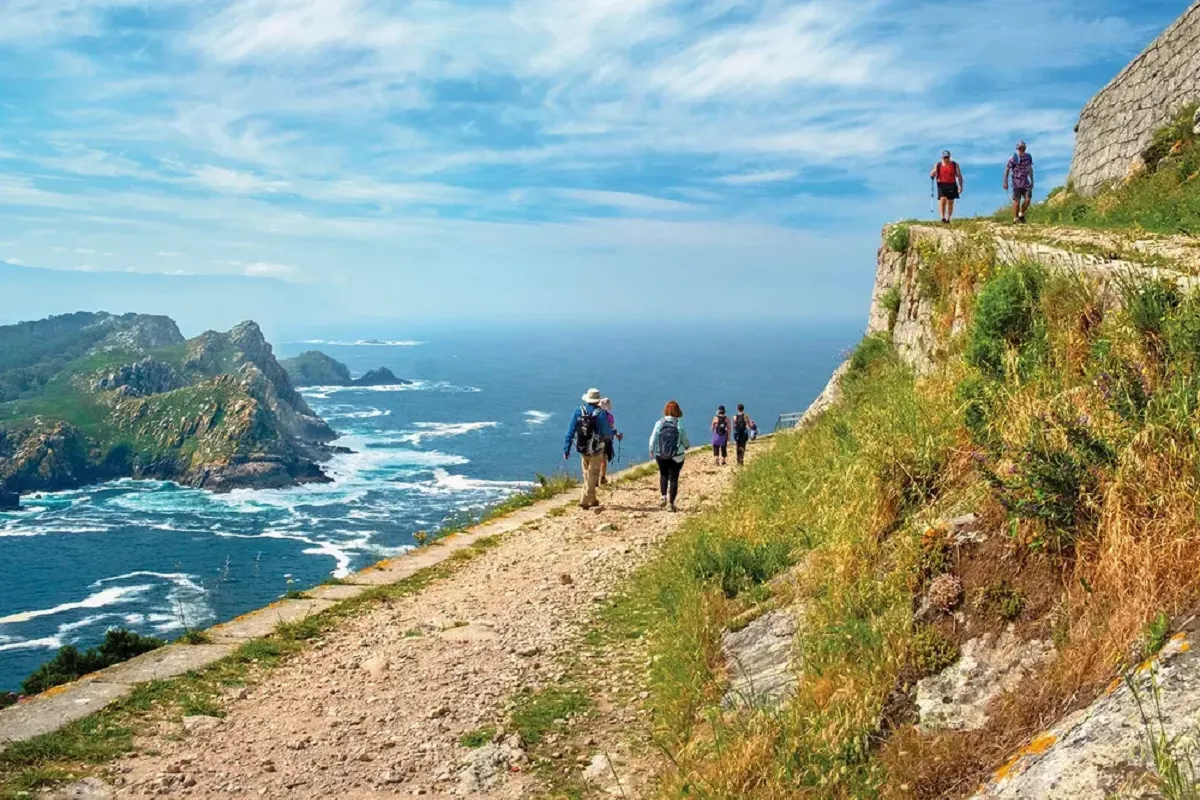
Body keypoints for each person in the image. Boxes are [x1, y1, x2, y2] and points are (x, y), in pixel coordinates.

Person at [563, 388, 614, 509]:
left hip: (582, 447)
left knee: (586, 473)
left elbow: (570, 431)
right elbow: (606, 432)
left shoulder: (578, 411)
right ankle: (585, 500)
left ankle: (593, 500)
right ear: (597, 401)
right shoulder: (600, 413)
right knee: (593, 474)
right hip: (596, 449)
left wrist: (566, 449)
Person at [649, 401, 689, 512]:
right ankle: (671, 504)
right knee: (674, 478)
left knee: (663, 474)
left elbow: (653, 437)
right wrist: (686, 446)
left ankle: (663, 496)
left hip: (661, 454)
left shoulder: (659, 423)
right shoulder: (679, 424)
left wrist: (651, 449)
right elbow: (684, 439)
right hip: (677, 455)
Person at [1003, 140, 1035, 224]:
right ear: (1017, 148)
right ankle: (1015, 217)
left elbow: (1030, 169)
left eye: (1023, 148)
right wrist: (1005, 182)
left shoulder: (1028, 157)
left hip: (1026, 182)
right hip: (1016, 183)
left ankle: (1021, 213)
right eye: (1020, 148)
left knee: (1028, 200)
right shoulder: (1013, 158)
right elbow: (1007, 169)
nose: (1022, 149)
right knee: (1016, 201)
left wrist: (1032, 180)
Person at [929, 150, 963, 224]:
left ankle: (948, 219)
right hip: (941, 184)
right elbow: (932, 174)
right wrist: (932, 174)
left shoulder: (954, 165)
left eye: (947, 157)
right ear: (942, 157)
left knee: (950, 202)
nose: (946, 159)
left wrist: (960, 186)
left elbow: (959, 176)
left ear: (949, 157)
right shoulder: (938, 165)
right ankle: (942, 218)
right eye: (944, 157)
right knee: (943, 200)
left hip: (952, 184)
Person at [598, 397, 623, 485]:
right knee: (603, 460)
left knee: (596, 459)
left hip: (596, 440)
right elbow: (611, 428)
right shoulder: (610, 417)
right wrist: (617, 435)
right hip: (606, 441)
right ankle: (602, 478)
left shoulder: (595, 415)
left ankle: (594, 479)